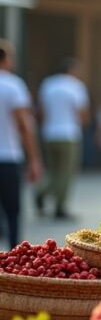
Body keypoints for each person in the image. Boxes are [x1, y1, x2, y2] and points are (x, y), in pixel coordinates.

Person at [0, 40, 42, 248]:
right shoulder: (13, 85)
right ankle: (12, 260)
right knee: (12, 211)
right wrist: (34, 159)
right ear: (6, 59)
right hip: (8, 156)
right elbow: (25, 126)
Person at [35, 58, 89, 219]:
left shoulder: (48, 84)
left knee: (53, 170)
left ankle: (41, 191)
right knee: (65, 173)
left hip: (49, 133)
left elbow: (42, 111)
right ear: (72, 70)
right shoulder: (76, 86)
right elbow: (82, 113)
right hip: (68, 134)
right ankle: (59, 207)